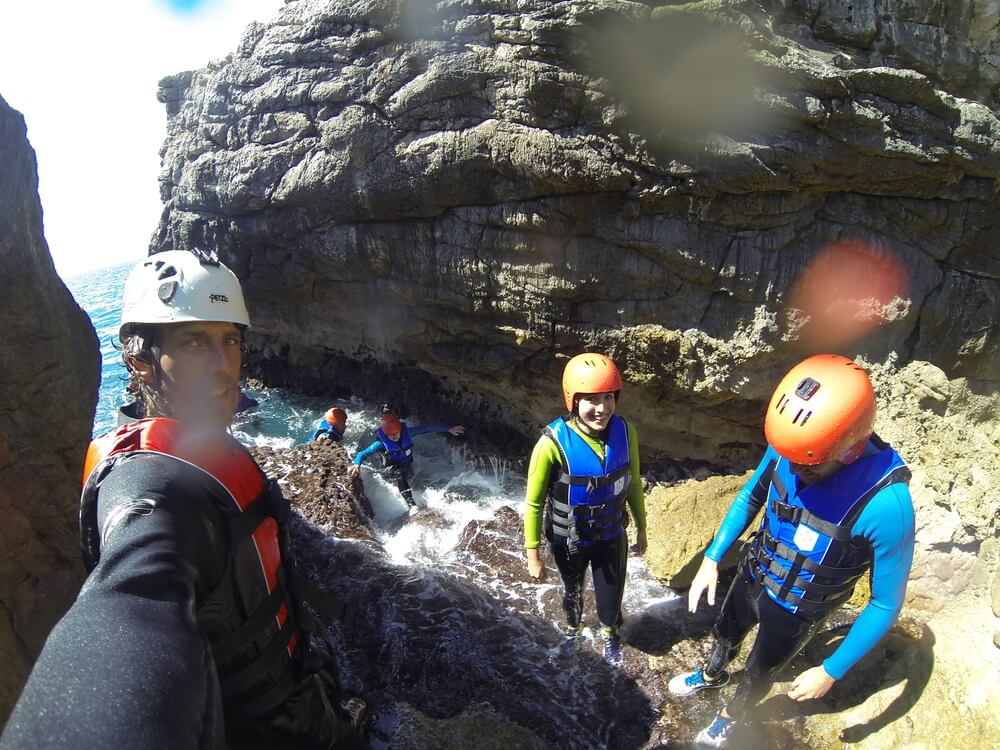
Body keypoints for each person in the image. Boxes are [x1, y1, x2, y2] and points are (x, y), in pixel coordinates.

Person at [0, 249, 368, 750]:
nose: (223, 368)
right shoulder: (148, 484)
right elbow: (131, 601)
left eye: (230, 340)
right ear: (141, 362)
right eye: (194, 342)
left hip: (299, 688)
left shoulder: (203, 441)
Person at [669, 354, 915, 747]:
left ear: (849, 448)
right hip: (756, 572)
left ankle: (731, 716)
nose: (795, 468)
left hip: (798, 608)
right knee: (725, 634)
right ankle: (711, 674)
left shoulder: (888, 506)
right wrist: (712, 559)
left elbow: (886, 604)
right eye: (792, 458)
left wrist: (831, 670)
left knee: (758, 672)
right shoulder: (793, 444)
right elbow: (752, 495)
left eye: (810, 465)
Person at [523, 352, 647, 665]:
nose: (602, 408)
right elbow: (534, 502)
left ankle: (610, 633)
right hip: (569, 539)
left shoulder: (626, 431)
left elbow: (632, 483)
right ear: (573, 400)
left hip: (610, 534)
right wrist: (533, 553)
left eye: (608, 397)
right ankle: (572, 629)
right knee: (572, 593)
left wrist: (642, 528)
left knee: (611, 597)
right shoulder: (551, 444)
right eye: (591, 399)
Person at [348, 407, 465, 508]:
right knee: (400, 474)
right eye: (390, 436)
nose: (394, 437)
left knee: (410, 476)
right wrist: (356, 464)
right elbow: (362, 453)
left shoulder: (407, 432)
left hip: (407, 464)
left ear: (400, 430)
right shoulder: (380, 444)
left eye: (396, 434)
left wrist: (449, 429)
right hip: (391, 470)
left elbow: (428, 427)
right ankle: (411, 505)